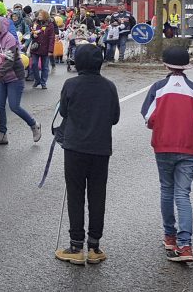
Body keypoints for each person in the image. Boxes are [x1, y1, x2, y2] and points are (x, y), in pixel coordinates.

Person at [140, 47, 193, 263]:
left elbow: (148, 117)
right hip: (189, 148)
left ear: (165, 65)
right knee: (183, 194)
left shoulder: (158, 88)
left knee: (166, 190)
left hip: (163, 146)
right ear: (187, 65)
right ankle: (185, 245)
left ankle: (170, 237)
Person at [54, 44, 120, 265]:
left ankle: (75, 245)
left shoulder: (71, 84)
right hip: (101, 148)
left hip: (74, 147)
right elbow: (114, 118)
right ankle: (94, 246)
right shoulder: (109, 86)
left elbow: (63, 111)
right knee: (97, 195)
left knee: (75, 194)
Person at [0, 16, 41, 146]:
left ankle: (34, 125)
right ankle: (2, 134)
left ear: (1, 26)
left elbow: (9, 61)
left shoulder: (9, 39)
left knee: (14, 106)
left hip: (14, 76)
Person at [28, 10, 55, 89]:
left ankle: (43, 82)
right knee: (34, 64)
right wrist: (33, 35)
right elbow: (32, 33)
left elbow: (51, 38)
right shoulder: (35, 23)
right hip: (35, 47)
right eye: (38, 15)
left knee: (45, 67)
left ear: (45, 16)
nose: (39, 16)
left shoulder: (50, 25)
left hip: (45, 48)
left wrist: (50, 50)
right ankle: (37, 80)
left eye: (40, 15)